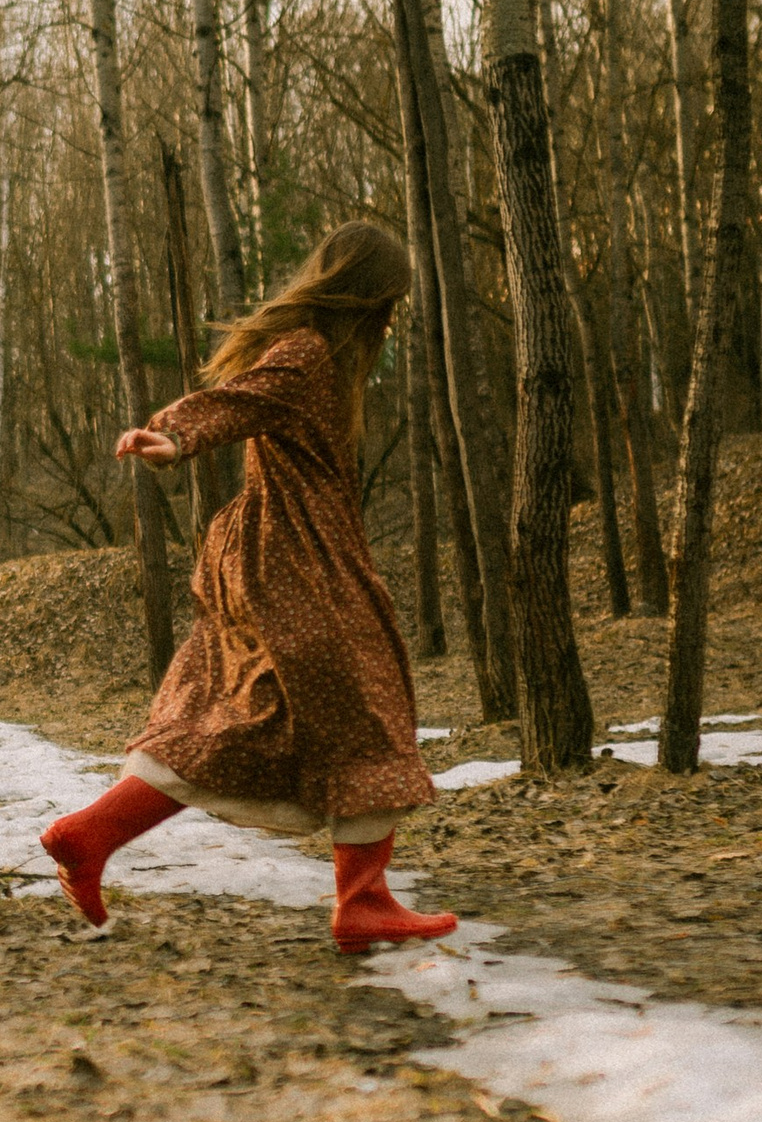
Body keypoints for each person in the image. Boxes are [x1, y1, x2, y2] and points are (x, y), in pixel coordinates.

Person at [41, 220, 458, 954]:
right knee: (368, 702)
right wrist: (174, 434)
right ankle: (362, 902)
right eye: (391, 300)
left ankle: (88, 834)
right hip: (296, 558)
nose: (395, 317)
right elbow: (235, 400)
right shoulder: (306, 354)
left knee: (241, 713)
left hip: (279, 550)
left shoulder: (324, 356)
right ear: (365, 297)